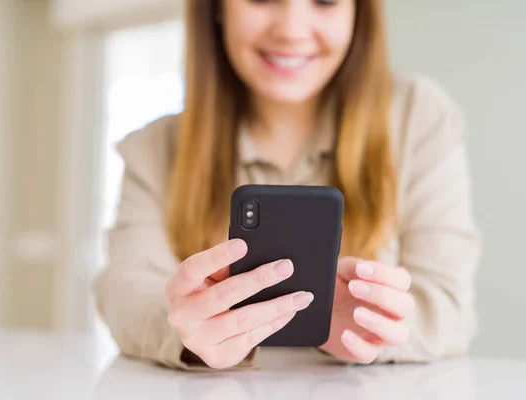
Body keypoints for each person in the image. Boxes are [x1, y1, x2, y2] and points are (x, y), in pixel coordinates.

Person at [94, 0, 481, 371]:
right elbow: (126, 292)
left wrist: (367, 324)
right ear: (216, 7)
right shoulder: (155, 147)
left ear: (358, 13)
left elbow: (449, 308)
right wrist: (188, 330)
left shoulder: (418, 117)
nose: (292, 32)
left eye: (326, 1)